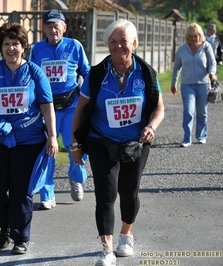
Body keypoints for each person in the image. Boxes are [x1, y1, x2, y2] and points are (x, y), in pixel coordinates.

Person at [71, 19, 165, 266]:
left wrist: (150, 127)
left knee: (129, 191)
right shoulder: (97, 74)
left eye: (123, 41)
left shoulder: (146, 73)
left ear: (134, 43)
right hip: (101, 141)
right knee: (105, 194)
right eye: (112, 42)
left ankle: (126, 234)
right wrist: (75, 146)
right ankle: (107, 251)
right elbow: (79, 112)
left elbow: (159, 109)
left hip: (136, 143)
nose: (118, 46)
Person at [0, 22, 58, 255]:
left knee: (21, 189)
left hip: (29, 140)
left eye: (16, 43)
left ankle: (21, 238)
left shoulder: (36, 73)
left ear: (24, 47)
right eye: (6, 44)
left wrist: (52, 137)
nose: (11, 48)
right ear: (0, 47)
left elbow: (47, 108)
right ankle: (5, 224)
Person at [29, 9, 90, 210]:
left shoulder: (74, 46)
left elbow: (86, 73)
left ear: (64, 27)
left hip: (72, 107)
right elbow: (30, 76)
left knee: (75, 146)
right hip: (47, 109)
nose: (53, 29)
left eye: (57, 25)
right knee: (48, 150)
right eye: (49, 25)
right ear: (43, 28)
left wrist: (88, 100)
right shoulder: (37, 49)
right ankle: (47, 194)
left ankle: (76, 179)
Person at [171, 23, 217, 148]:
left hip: (203, 84)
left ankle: (201, 136)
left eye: (196, 36)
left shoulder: (206, 47)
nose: (194, 38)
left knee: (202, 112)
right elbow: (176, 68)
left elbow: (212, 62)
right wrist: (173, 83)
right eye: (191, 36)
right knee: (188, 111)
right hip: (187, 84)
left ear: (200, 35)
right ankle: (187, 138)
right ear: (188, 36)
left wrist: (212, 73)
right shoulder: (182, 50)